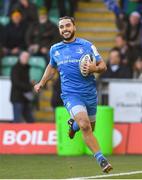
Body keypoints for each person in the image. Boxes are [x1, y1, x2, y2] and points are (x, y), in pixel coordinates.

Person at [34, 16, 112, 173]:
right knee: (85, 125)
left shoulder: (87, 45)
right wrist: (41, 82)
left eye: (68, 25)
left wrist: (93, 69)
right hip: (71, 94)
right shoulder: (55, 49)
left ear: (74, 27)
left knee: (90, 127)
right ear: (59, 30)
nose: (65, 29)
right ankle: (101, 159)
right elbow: (51, 67)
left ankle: (73, 125)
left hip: (89, 93)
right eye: (61, 27)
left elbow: (102, 65)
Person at [10, 51, 35, 123]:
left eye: (27, 57)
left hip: (26, 98)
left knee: (31, 120)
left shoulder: (28, 67)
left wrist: (30, 84)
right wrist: (29, 86)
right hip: (17, 98)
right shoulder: (15, 68)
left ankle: (32, 132)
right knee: (17, 120)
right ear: (20, 57)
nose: (26, 58)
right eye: (24, 57)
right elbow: (16, 82)